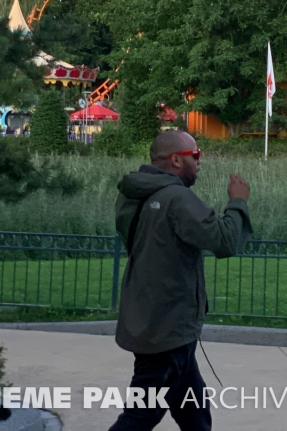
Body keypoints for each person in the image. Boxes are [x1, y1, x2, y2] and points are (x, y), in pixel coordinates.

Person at [108, 130, 253, 431]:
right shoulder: (177, 198)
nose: (200, 162)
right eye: (195, 155)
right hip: (167, 327)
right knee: (140, 416)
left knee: (195, 412)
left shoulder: (132, 195)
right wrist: (237, 202)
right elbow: (224, 240)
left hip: (149, 318)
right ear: (176, 160)